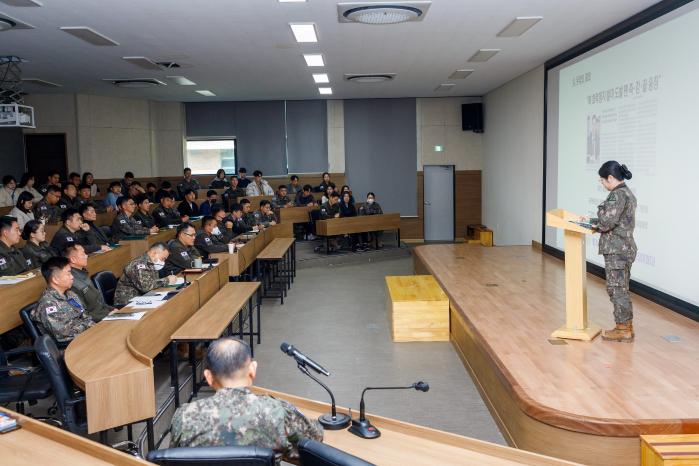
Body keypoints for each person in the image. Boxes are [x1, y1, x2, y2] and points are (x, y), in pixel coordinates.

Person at [170, 337, 323, 462]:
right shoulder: (276, 411)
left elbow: (175, 459)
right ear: (252, 370)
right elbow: (315, 440)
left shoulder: (184, 416)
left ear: (208, 377)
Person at [587, 161, 637, 343]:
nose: (602, 184)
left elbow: (607, 223)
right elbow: (615, 219)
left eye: (602, 180)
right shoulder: (627, 193)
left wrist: (595, 221)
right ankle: (626, 326)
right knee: (621, 288)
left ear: (610, 178)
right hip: (623, 248)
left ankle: (623, 329)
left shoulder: (617, 195)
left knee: (616, 289)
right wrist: (594, 221)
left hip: (617, 249)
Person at [31, 257, 94, 344]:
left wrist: (92, 326)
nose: (72, 277)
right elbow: (64, 334)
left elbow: (85, 316)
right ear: (55, 280)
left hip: (86, 336)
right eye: (68, 274)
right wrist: (88, 326)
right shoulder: (48, 304)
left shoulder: (70, 294)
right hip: (70, 346)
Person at [63, 244, 113, 321]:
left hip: (105, 314)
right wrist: (107, 315)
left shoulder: (82, 273)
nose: (86, 256)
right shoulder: (72, 281)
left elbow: (99, 302)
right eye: (83, 254)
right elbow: (84, 314)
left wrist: (112, 310)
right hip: (97, 320)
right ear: (73, 259)